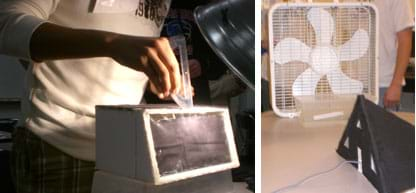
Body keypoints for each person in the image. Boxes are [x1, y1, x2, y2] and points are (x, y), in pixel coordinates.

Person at [0, 0, 180, 192]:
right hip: (60, 144)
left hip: (129, 147)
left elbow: (131, 46)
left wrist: (153, 75)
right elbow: (6, 22)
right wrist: (112, 44)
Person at [374, 0, 414, 111]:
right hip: (354, 84)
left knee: (384, 127)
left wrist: (396, 84)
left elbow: (405, 41)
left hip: (384, 83)